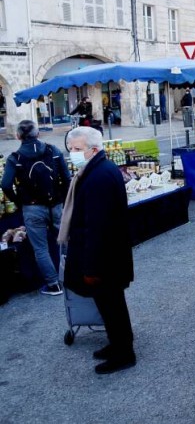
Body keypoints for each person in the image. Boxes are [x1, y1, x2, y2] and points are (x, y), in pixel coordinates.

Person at [58, 126, 135, 373]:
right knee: (109, 304)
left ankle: (124, 354)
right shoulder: (97, 169)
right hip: (108, 255)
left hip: (104, 258)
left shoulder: (99, 176)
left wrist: (91, 267)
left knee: (112, 304)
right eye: (71, 149)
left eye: (78, 149)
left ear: (93, 149)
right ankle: (118, 344)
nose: (73, 153)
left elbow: (97, 227)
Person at [1, 120, 71, 295]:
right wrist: (61, 197)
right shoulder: (53, 150)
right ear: (38, 134)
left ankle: (54, 284)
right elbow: (67, 178)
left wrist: (19, 202)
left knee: (41, 248)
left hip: (32, 208)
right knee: (64, 240)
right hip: (55, 204)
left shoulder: (14, 158)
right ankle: (73, 275)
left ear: (18, 136)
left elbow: (6, 185)